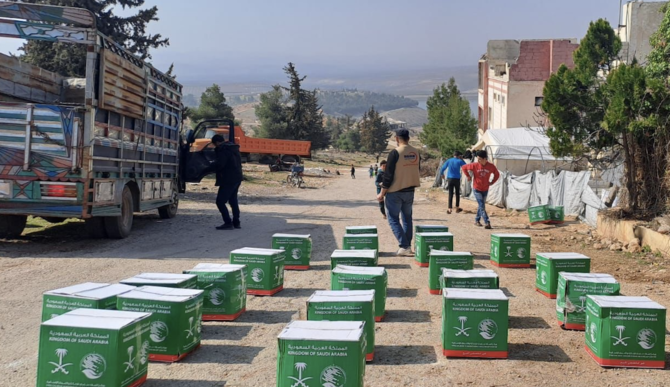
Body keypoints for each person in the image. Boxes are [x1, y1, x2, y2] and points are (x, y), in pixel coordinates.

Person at [377, 129, 420, 256]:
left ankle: (404, 245)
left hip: (395, 191)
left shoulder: (395, 153)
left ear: (396, 139)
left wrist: (382, 193)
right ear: (409, 138)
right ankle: (407, 247)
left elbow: (388, 175)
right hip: (410, 190)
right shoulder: (416, 152)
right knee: (407, 218)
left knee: (393, 219)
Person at [208, 134, 243, 230]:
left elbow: (220, 164)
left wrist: (211, 165)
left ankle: (228, 223)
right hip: (237, 178)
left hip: (228, 179)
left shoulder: (223, 150)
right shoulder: (233, 148)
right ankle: (236, 222)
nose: (215, 147)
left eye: (215, 145)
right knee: (233, 200)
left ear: (217, 142)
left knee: (220, 202)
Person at [461, 150, 500, 229]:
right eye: (477, 159)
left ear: (485, 158)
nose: (478, 160)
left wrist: (492, 182)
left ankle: (477, 220)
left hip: (485, 189)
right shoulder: (475, 165)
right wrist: (468, 176)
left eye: (480, 159)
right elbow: (464, 167)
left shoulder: (491, 166)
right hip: (477, 188)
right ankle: (487, 222)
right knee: (482, 205)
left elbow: (497, 174)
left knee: (481, 205)